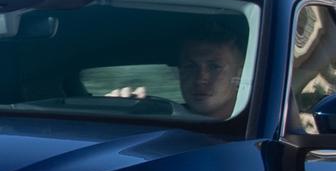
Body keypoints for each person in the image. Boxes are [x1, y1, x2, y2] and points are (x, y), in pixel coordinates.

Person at [103, 14, 248, 119]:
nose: (201, 78)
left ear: (240, 75)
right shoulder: (160, 121)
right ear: (179, 72)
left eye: (214, 67)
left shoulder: (259, 129)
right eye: (190, 67)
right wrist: (115, 110)